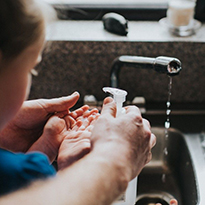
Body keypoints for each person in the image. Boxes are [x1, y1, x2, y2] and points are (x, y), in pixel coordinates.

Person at [0, 0, 158, 204]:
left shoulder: (16, 174)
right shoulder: (18, 174)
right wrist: (117, 157)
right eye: (30, 69)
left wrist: (13, 136)